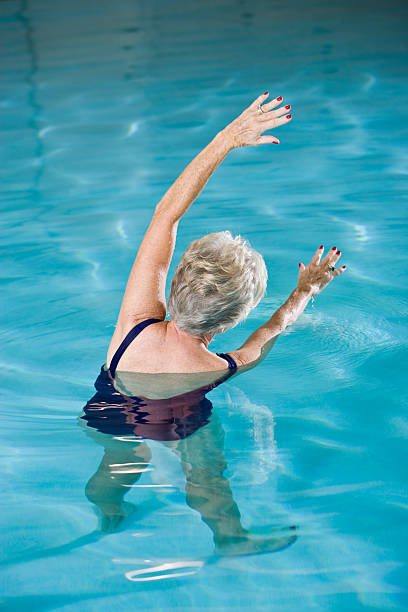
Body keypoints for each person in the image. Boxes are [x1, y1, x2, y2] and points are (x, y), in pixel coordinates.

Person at [80, 92, 346, 555]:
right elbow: (271, 332)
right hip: (180, 421)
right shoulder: (219, 366)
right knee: (207, 478)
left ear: (177, 280)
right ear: (231, 320)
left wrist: (227, 139)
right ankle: (229, 536)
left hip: (111, 408)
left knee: (117, 464)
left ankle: (107, 511)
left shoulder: (134, 323)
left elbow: (167, 214)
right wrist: (306, 290)